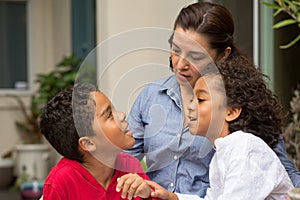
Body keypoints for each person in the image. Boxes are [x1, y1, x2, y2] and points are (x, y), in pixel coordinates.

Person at [125, 1, 300, 198]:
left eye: (195, 56)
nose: (180, 64)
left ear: (223, 55)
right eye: (176, 50)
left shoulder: (242, 113)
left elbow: (285, 175)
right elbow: (123, 162)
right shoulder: (151, 95)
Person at [147, 58, 294, 199]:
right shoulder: (224, 151)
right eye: (191, 99)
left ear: (231, 112)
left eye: (201, 100)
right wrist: (173, 197)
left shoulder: (245, 148)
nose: (190, 106)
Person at [39, 83, 157, 200]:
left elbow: (151, 195)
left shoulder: (129, 166)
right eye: (110, 115)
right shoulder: (60, 182)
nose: (122, 115)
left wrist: (147, 196)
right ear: (88, 143)